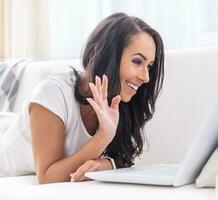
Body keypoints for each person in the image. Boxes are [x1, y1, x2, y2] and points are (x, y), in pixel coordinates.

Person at [0, 12, 164, 184]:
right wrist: (103, 136)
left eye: (150, 66)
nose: (146, 77)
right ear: (107, 55)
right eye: (137, 61)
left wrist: (106, 164)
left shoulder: (119, 100)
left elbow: (124, 157)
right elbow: (47, 178)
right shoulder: (52, 94)